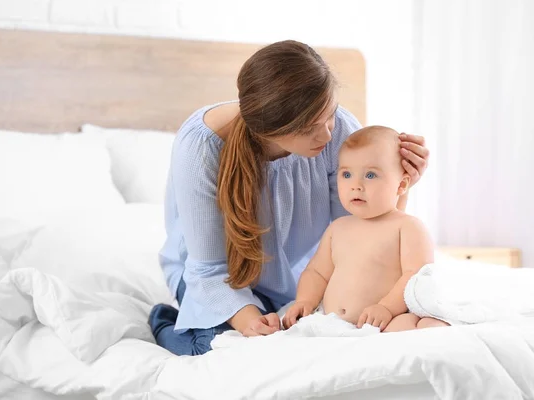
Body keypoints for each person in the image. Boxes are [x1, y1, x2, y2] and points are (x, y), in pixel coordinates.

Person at [149, 40, 430, 356]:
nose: (327, 135)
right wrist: (251, 322)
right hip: (217, 281)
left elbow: (358, 236)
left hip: (303, 279)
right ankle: (164, 322)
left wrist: (399, 187)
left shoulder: (336, 132)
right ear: (269, 129)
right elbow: (209, 271)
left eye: (331, 115)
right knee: (223, 353)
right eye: (311, 127)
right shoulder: (200, 150)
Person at [282, 126, 448, 332]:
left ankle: (435, 329)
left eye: (370, 175)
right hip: (332, 322)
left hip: (385, 320)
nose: (356, 185)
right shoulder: (338, 228)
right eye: (347, 174)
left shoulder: (406, 226)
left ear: (401, 185)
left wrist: (386, 308)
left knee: (412, 327)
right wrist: (305, 300)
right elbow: (317, 272)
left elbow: (416, 276)